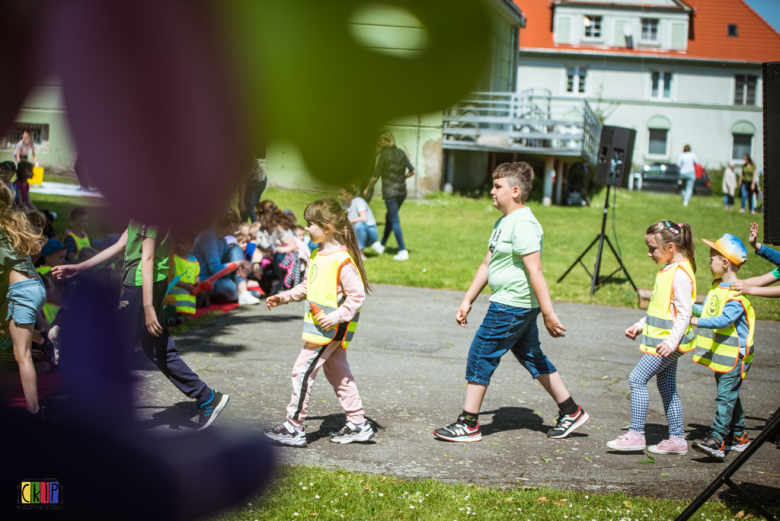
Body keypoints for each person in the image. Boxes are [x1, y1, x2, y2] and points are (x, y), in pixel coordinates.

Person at [432, 163, 588, 443]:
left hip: (511, 305)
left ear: (515, 191)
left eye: (497, 186)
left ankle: (468, 424)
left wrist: (549, 314)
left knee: (481, 354)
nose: (491, 191)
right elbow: (486, 264)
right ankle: (571, 410)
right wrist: (468, 299)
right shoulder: (503, 222)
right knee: (532, 357)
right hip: (512, 304)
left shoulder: (525, 224)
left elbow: (535, 271)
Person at [53, 222, 231, 430]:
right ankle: (207, 397)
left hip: (140, 286)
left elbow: (147, 258)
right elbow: (121, 244)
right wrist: (78, 268)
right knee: (156, 347)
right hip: (147, 284)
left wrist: (148, 307)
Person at [263, 198, 373, 447]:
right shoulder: (318, 253)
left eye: (311, 223)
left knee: (301, 371)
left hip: (329, 329)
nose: (307, 228)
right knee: (339, 374)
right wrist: (284, 297)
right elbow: (307, 285)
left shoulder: (341, 259)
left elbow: (357, 296)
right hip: (321, 327)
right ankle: (358, 423)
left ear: (328, 227)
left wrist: (333, 318)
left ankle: (294, 427)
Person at [611, 221, 697, 455]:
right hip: (667, 342)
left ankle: (636, 435)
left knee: (637, 379)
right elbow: (661, 310)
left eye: (652, 249)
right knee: (667, 387)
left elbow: (684, 314)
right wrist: (640, 325)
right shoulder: (669, 268)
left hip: (668, 344)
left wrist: (671, 342)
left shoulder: (679, 274)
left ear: (670, 247)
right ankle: (678, 439)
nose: (649, 253)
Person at [688, 234, 754, 460]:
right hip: (722, 355)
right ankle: (739, 437)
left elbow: (724, 320)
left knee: (725, 397)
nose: (708, 263)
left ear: (725, 263)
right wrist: (686, 308)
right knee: (729, 395)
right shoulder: (717, 287)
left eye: (712, 258)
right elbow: (707, 311)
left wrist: (698, 321)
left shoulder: (736, 291)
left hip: (735, 356)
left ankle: (717, 440)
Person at [0, 182, 46, 415]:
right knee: (6, 330)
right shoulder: (10, 223)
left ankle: (33, 409)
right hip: (33, 286)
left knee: (22, 355)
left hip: (22, 292)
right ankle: (45, 337)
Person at [363, 130, 416, 261]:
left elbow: (375, 176)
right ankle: (381, 245)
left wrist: (367, 188)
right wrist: (402, 177)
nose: (378, 144)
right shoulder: (401, 152)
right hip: (402, 192)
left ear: (386, 141)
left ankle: (403, 251)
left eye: (379, 142)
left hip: (390, 192)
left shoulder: (384, 155)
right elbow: (413, 171)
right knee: (390, 217)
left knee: (394, 220)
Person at [192, 208, 257, 305]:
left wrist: (242, 267)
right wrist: (241, 263)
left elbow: (233, 256)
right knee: (228, 286)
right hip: (204, 282)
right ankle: (239, 291)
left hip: (216, 279)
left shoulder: (221, 239)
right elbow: (216, 270)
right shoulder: (208, 237)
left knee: (235, 249)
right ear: (232, 225)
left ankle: (242, 291)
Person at [253, 200, 302, 292]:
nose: (259, 218)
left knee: (278, 257)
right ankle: (271, 286)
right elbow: (259, 250)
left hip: (290, 261)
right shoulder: (262, 229)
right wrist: (256, 265)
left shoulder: (280, 227)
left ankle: (286, 286)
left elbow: (293, 247)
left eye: (260, 215)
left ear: (267, 216)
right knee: (257, 268)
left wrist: (274, 249)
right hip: (272, 260)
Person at [339, 187, 377, 260]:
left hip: (370, 235)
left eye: (341, 194)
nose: (339, 197)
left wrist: (348, 221)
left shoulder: (359, 201)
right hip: (355, 234)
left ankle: (361, 254)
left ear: (349, 195)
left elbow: (363, 218)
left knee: (359, 225)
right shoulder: (343, 205)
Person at [169, 234, 201, 318]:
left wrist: (198, 284)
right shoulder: (173, 259)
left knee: (186, 319)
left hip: (189, 301)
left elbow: (196, 276)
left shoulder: (194, 261)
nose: (179, 245)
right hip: (175, 300)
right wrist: (185, 285)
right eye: (177, 242)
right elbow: (169, 278)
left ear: (191, 246)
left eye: (183, 243)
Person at [238, 157, 267, 223]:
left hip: (258, 180)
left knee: (251, 208)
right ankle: (243, 228)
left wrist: (241, 201)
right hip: (249, 181)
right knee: (244, 206)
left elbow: (242, 181)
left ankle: (258, 229)